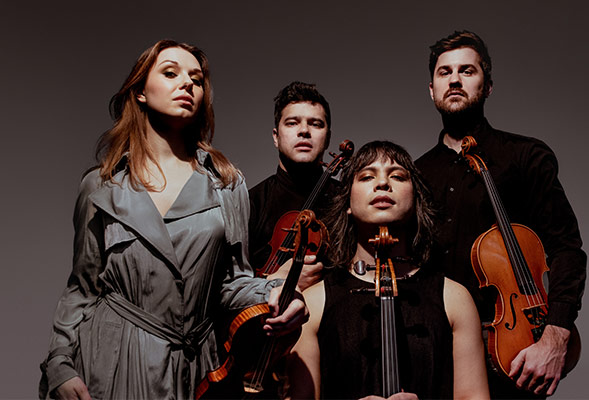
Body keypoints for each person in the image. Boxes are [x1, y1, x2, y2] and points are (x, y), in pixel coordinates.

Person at [38, 40, 307, 400]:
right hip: (112, 360)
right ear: (140, 93)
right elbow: (82, 289)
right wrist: (59, 364)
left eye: (197, 79)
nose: (187, 84)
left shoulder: (226, 183)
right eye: (170, 73)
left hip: (194, 368)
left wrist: (278, 292)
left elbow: (232, 282)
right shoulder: (101, 185)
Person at [414, 30, 587, 397]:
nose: (455, 79)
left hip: (512, 351)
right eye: (444, 73)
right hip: (434, 351)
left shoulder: (525, 157)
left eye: (467, 70)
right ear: (431, 90)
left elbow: (566, 249)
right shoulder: (415, 174)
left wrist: (556, 335)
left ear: (487, 86)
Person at [285, 141, 489, 400]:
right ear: (347, 201)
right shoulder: (313, 303)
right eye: (367, 176)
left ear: (415, 200)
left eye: (398, 176)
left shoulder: (454, 299)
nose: (382, 184)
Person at [249, 81, 336, 289]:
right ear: (276, 137)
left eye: (315, 124)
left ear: (328, 138)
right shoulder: (251, 202)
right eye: (292, 123)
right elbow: (228, 285)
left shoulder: (347, 200)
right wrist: (271, 282)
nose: (304, 131)